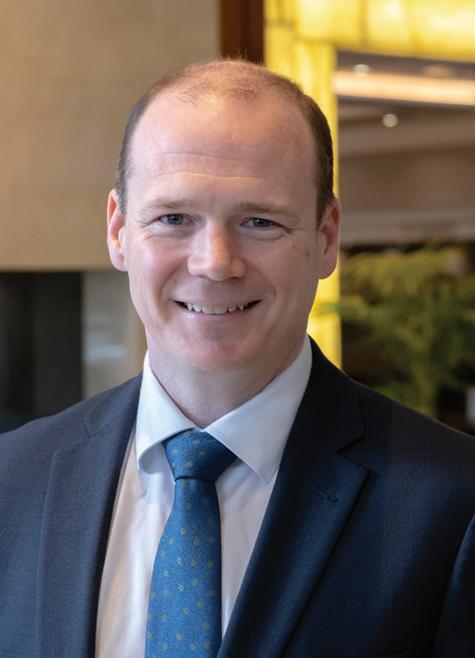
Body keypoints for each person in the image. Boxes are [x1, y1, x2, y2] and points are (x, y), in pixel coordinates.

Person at [0, 59, 474, 658]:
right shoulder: (13, 480)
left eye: (259, 221)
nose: (215, 262)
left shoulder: (453, 504)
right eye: (174, 218)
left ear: (326, 238)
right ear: (118, 230)